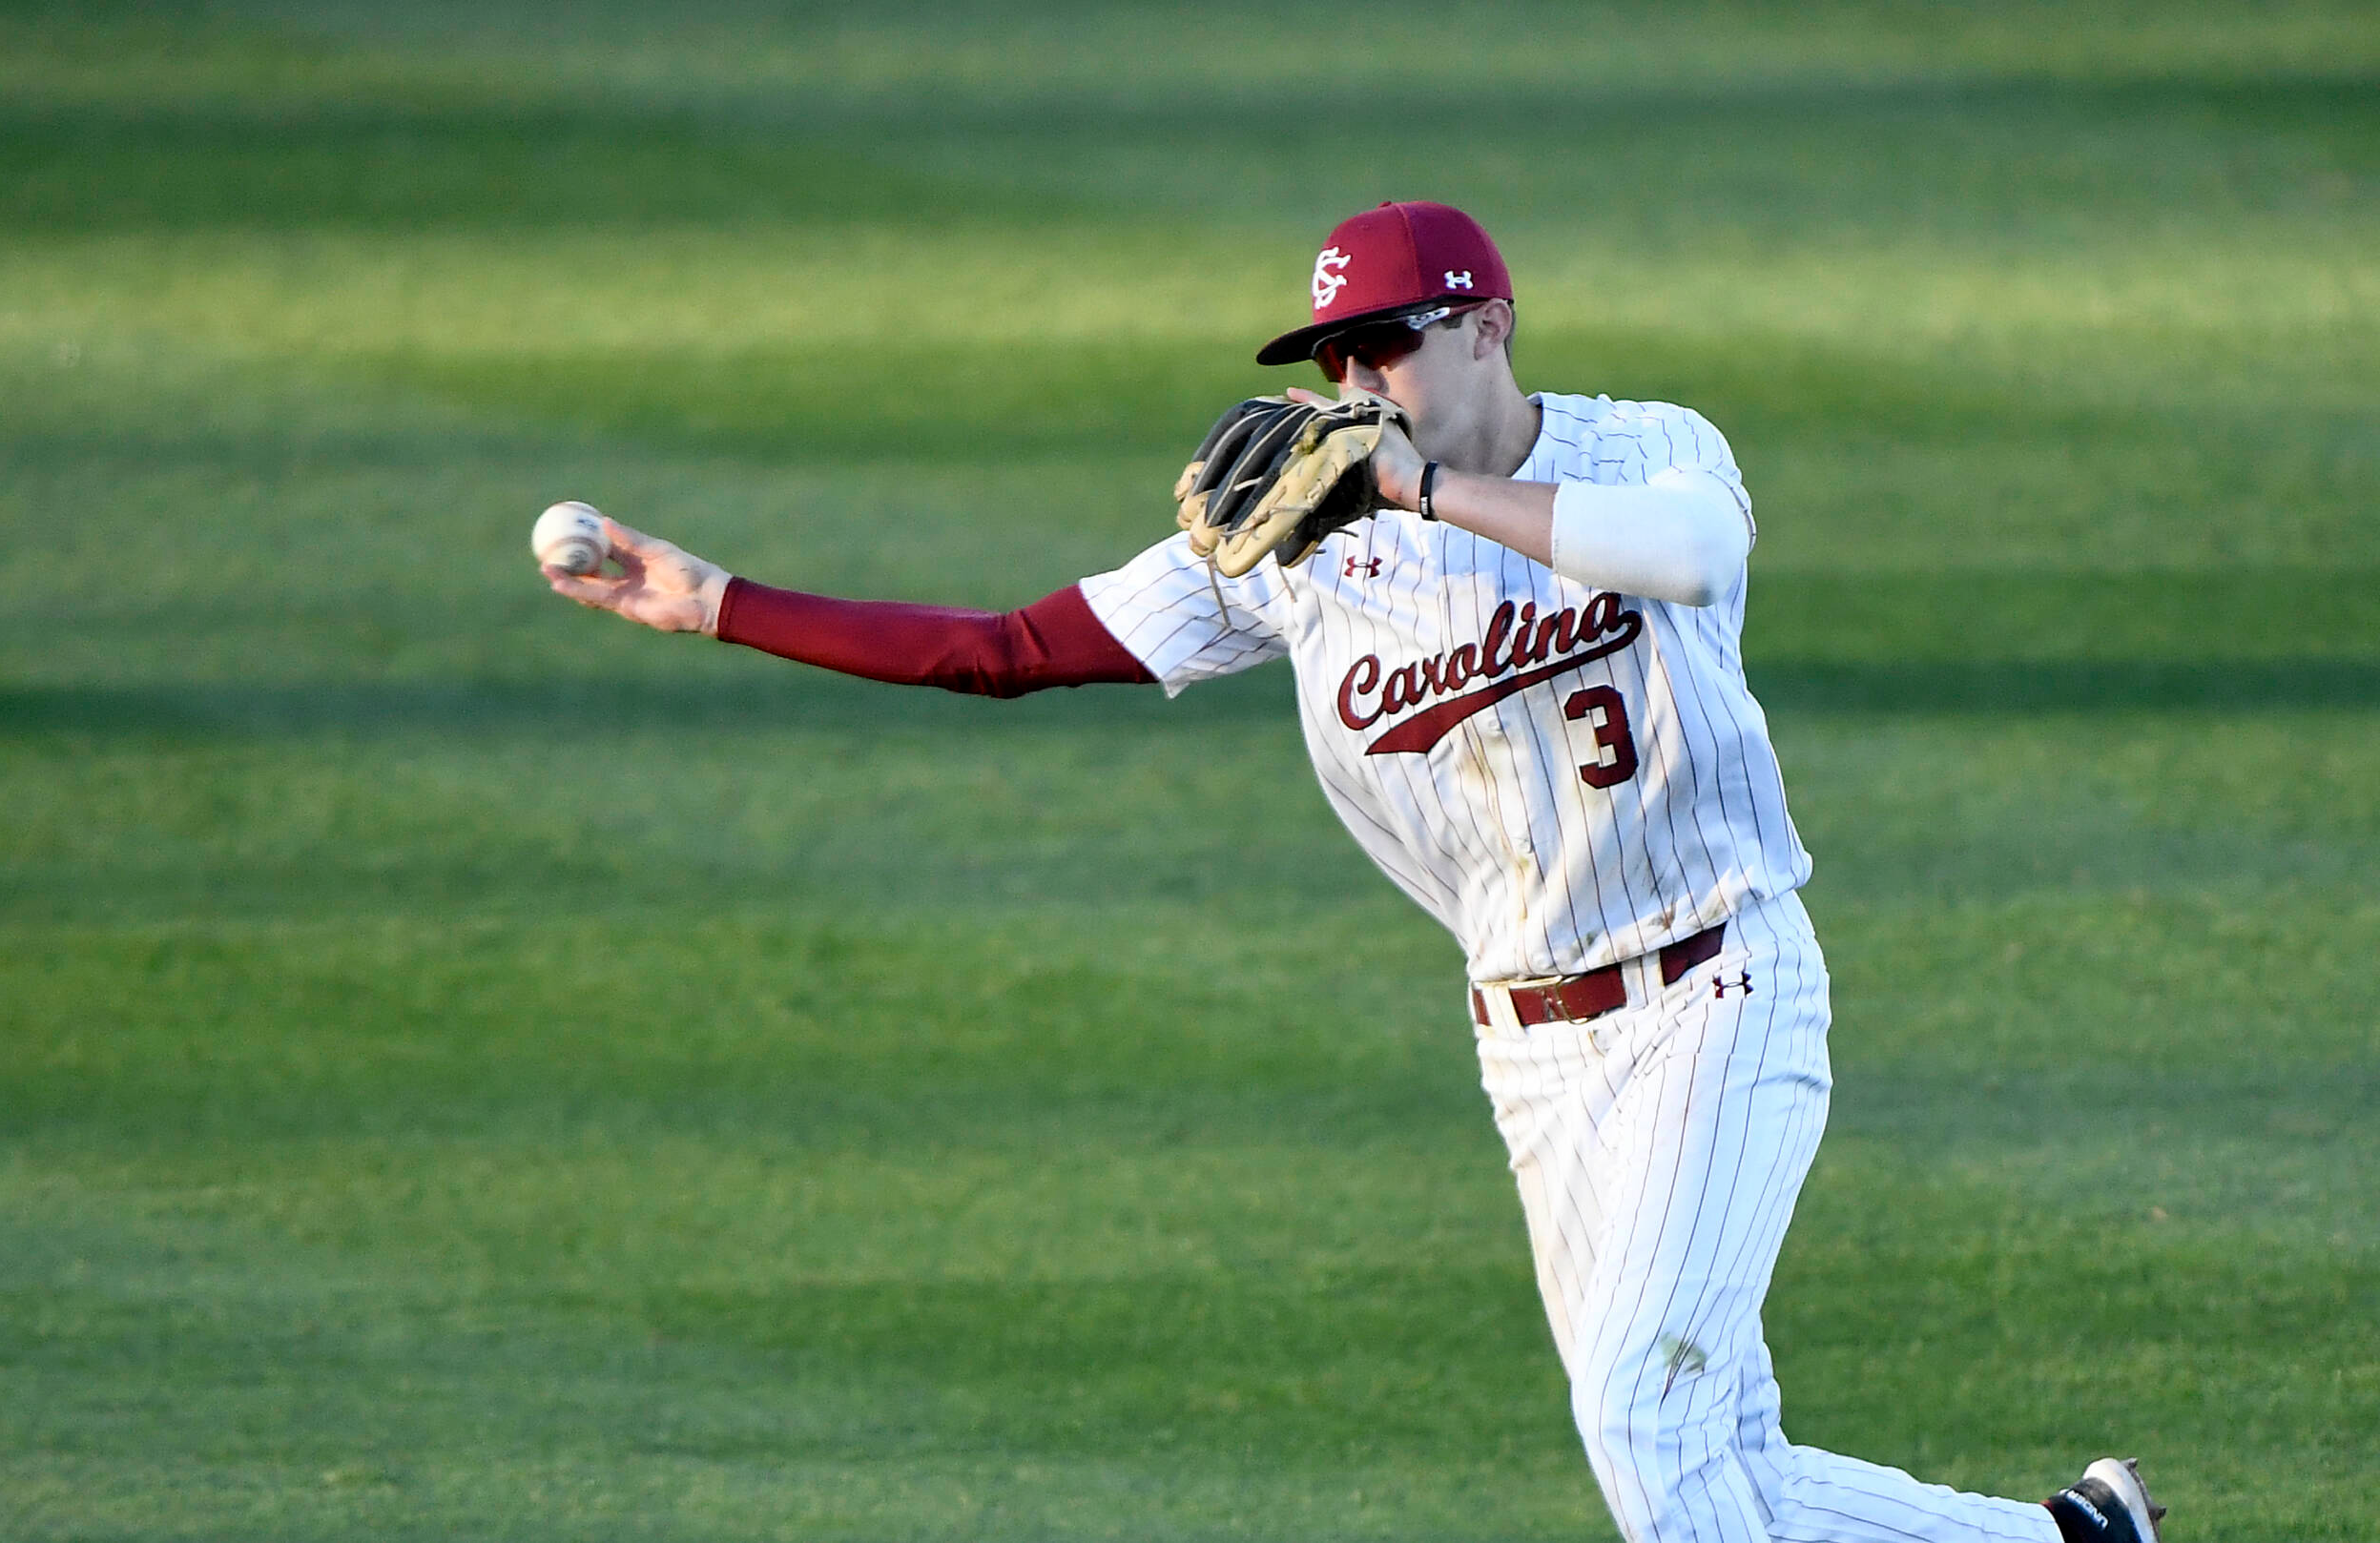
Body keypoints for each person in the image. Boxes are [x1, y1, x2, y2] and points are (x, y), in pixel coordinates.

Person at [542, 200, 2163, 1543]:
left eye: (1386, 340)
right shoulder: (1301, 554)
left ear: (1487, 329)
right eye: (1334, 354)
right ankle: (2071, 1542)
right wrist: (719, 600)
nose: (1355, 376)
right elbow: (1010, 648)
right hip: (1531, 1053)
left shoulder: (1649, 446)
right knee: (1710, 1450)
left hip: (1715, 988)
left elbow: (1695, 555)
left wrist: (1419, 484)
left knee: (1644, 1428)